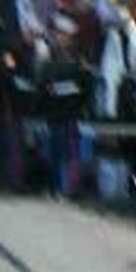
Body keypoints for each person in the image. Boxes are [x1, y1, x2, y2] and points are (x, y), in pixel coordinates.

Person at [40, 14, 94, 198]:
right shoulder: (51, 59)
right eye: (57, 34)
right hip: (54, 112)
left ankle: (66, 188)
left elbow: (85, 87)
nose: (58, 38)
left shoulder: (78, 60)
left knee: (68, 153)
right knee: (55, 152)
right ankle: (57, 187)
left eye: (62, 35)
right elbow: (45, 84)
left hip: (70, 112)